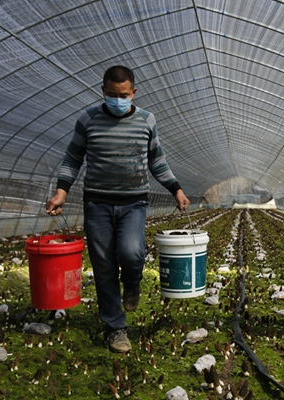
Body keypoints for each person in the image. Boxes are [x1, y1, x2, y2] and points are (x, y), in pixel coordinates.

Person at [46, 65, 190, 353]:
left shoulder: (147, 120)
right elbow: (73, 158)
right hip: (97, 203)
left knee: (132, 253)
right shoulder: (88, 119)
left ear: (133, 92)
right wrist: (61, 191)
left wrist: (176, 189)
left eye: (123, 95)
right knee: (104, 266)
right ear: (103, 91)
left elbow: (157, 160)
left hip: (133, 202)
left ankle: (132, 283)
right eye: (112, 94)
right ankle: (116, 327)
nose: (118, 99)